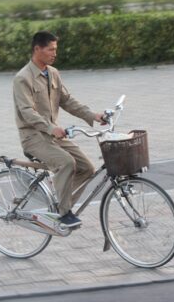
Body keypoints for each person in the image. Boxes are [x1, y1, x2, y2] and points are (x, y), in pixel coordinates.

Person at [13, 31, 105, 228]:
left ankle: (59, 201)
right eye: (50, 49)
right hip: (33, 137)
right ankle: (64, 213)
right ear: (37, 49)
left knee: (87, 168)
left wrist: (93, 115)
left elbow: (67, 101)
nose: (54, 53)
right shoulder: (23, 78)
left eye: (56, 49)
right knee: (66, 163)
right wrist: (50, 127)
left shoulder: (53, 73)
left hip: (54, 135)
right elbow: (27, 111)